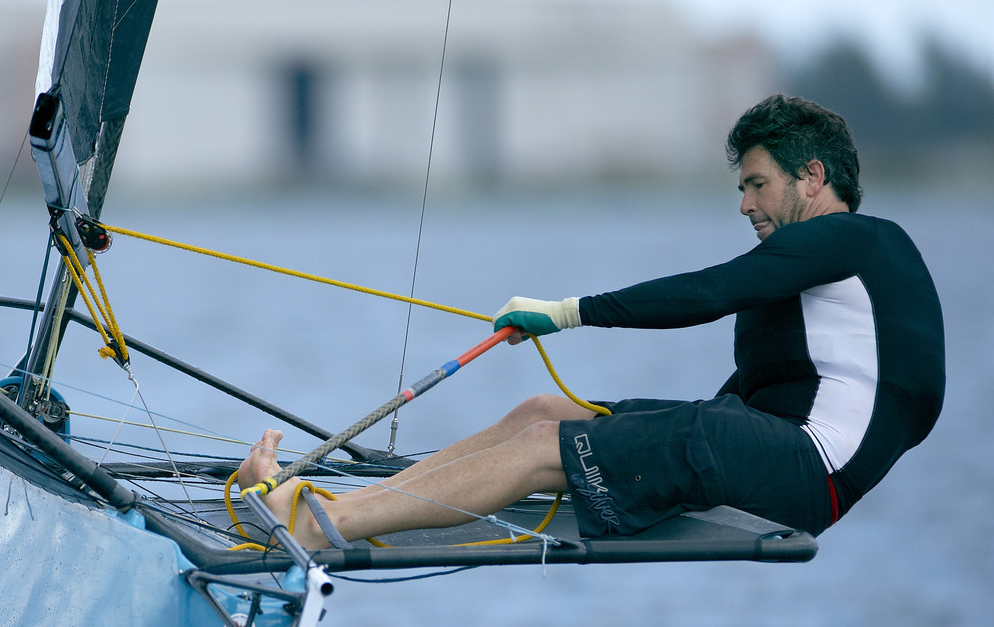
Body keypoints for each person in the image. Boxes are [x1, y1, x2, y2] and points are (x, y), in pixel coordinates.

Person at [236, 94, 944, 548]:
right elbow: (777, 382)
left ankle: (324, 523)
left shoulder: (856, 239)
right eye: (741, 187)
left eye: (757, 184)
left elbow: (711, 291)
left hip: (804, 468)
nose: (744, 204)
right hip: (776, 449)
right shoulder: (837, 272)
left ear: (813, 178)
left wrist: (569, 313)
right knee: (543, 410)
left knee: (550, 443)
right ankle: (344, 500)